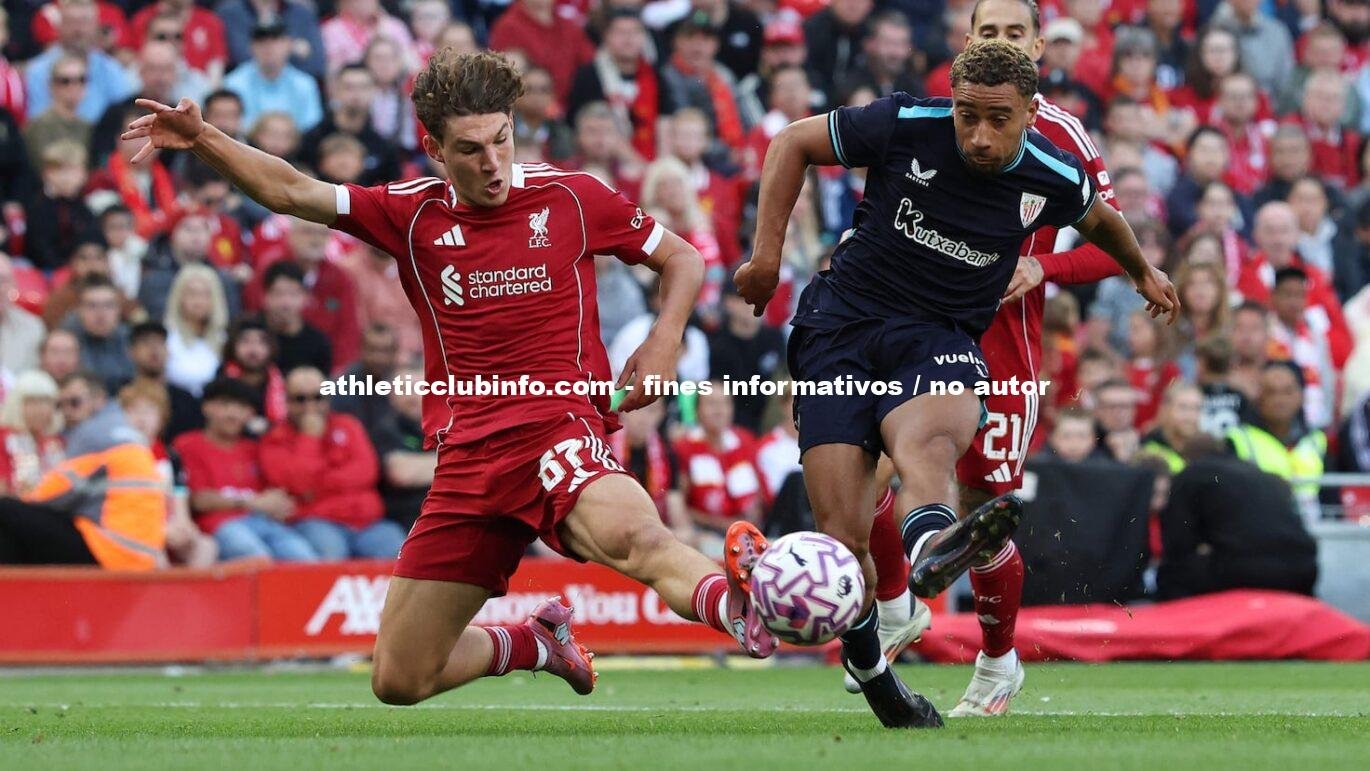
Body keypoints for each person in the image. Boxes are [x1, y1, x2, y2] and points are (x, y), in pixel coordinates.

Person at [123, 49, 780, 705]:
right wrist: (202, 138)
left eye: (502, 139)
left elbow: (683, 259)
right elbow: (290, 191)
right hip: (467, 460)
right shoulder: (410, 215)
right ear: (433, 147)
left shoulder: (571, 197)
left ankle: (739, 606)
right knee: (399, 677)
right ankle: (533, 643)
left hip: (557, 427)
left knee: (633, 537)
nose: (493, 163)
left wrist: (665, 341)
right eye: (470, 149)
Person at [737, 35, 1178, 727]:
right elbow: (791, 141)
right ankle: (884, 683)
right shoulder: (904, 123)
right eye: (967, 115)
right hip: (839, 330)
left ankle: (932, 545)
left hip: (937, 336)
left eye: (997, 118)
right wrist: (765, 258)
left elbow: (1102, 219)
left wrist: (1141, 269)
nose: (978, 134)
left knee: (928, 444)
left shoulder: (1051, 173)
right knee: (842, 539)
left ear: (1031, 113)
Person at [854, 0, 1135, 718]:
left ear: (1039, 46)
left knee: (981, 511)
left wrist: (1049, 270)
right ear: (966, 42)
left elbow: (1116, 242)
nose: (1003, 41)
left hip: (1004, 346)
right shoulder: (932, 118)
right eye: (989, 31)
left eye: (1016, 32)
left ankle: (997, 658)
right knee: (864, 467)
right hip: (915, 330)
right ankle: (895, 604)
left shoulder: (1063, 136)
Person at [1157, 434, 1318, 599]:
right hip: (1304, 566)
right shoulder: (1258, 472)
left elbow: (1177, 543)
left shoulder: (1191, 475)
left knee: (1172, 573)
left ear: (1186, 458)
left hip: (1248, 569)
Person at [174, 376, 316, 561]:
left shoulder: (256, 447)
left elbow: (279, 490)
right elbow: (197, 500)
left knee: (305, 557)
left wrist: (279, 505)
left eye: (241, 408)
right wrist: (253, 502)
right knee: (257, 558)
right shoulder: (188, 445)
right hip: (219, 524)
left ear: (250, 414)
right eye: (224, 405)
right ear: (206, 407)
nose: (233, 414)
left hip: (264, 522)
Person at [1226, 360, 1327, 521]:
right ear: (1259, 397)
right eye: (1271, 392)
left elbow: (1331, 497)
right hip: (1259, 531)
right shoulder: (1237, 439)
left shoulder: (1318, 440)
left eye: (1287, 391)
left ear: (1301, 395)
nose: (1279, 400)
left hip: (1313, 531)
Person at [0, 370, 66, 498]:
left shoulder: (57, 441)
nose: (39, 409)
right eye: (31, 402)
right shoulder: (3, 439)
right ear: (16, 404)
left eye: (45, 402)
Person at [1140, 380, 1202, 473]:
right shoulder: (1148, 452)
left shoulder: (1207, 449)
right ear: (1165, 409)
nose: (1191, 416)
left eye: (1197, 408)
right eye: (1183, 408)